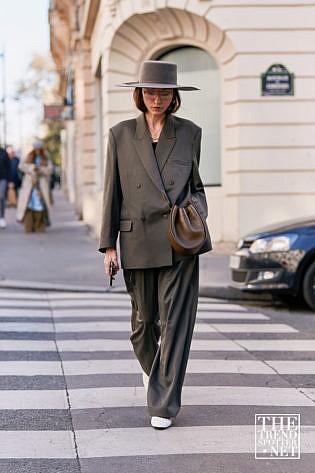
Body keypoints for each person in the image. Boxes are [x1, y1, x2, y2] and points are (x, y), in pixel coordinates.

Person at [99, 60, 212, 429]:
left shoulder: (191, 132)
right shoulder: (119, 134)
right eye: (150, 92)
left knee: (176, 322)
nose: (157, 99)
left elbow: (196, 186)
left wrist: (195, 211)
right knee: (144, 323)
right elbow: (111, 194)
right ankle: (155, 372)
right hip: (136, 239)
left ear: (174, 96)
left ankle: (163, 404)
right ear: (140, 94)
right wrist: (108, 246)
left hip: (179, 242)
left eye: (164, 92)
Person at [16, 140, 53, 232]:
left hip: (41, 186)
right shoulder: (28, 157)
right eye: (36, 149)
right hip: (29, 185)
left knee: (40, 205)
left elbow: (49, 170)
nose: (37, 151)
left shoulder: (45, 158)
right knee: (28, 205)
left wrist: (40, 169)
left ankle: (39, 226)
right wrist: (32, 168)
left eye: (39, 149)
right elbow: (21, 166)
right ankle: (29, 226)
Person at [0, 145, 10, 228]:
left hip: (3, 178)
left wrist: (10, 181)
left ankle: (2, 217)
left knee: (1, 197)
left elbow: (9, 167)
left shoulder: (3, 152)